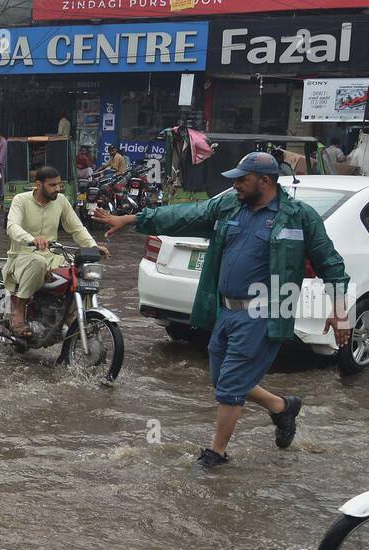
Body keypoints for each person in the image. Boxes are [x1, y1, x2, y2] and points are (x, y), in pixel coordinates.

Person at [95, 151, 351, 469]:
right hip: (226, 311)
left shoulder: (298, 217)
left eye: (242, 180)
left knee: (230, 387)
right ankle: (281, 406)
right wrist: (134, 219)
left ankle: (216, 454)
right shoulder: (228, 206)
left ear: (265, 181)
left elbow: (332, 264)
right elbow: (185, 215)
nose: (236, 186)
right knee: (223, 381)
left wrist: (340, 311)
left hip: (263, 312)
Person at [3, 165, 109, 338]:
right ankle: (19, 312)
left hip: (52, 256)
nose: (58, 189)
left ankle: (75, 316)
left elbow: (77, 229)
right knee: (38, 263)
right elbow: (12, 226)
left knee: (80, 271)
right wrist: (31, 239)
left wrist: (93, 246)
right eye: (52, 185)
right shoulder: (20, 200)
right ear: (39, 184)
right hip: (23, 256)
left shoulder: (61, 201)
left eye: (59, 185)